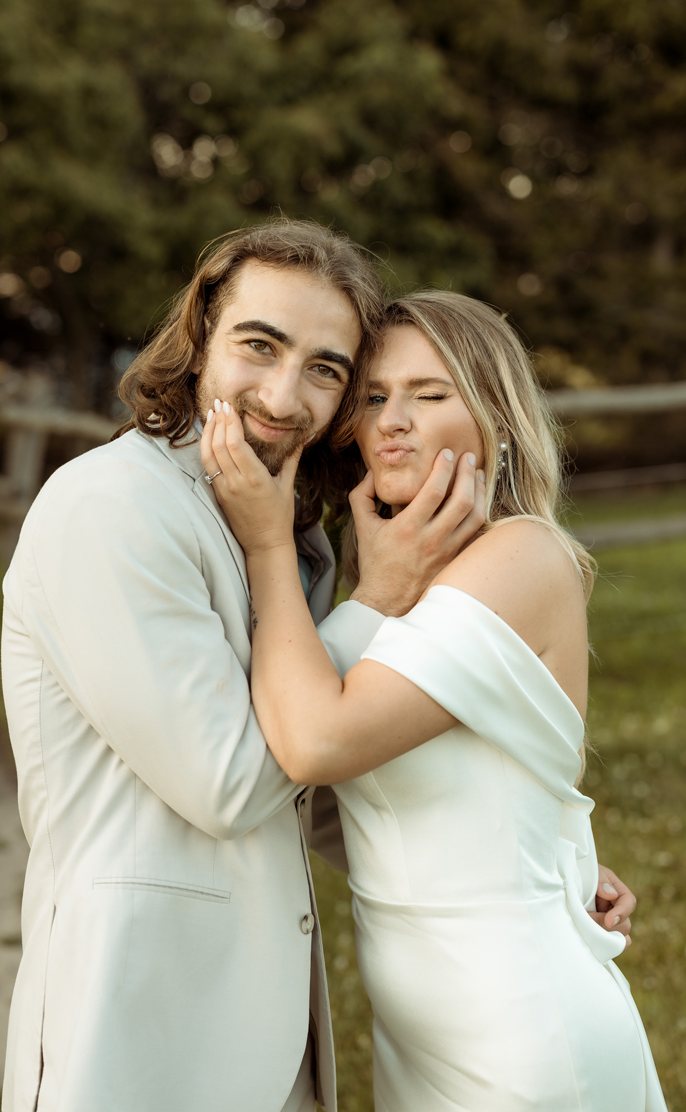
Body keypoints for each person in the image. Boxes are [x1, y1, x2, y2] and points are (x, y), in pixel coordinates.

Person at [0, 220, 636, 1112]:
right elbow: (234, 775)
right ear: (198, 340)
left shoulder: (295, 540)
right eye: (259, 346)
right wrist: (372, 600)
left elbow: (331, 775)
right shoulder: (110, 506)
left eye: (327, 370)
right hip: (143, 1009)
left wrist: (540, 857)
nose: (285, 394)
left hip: (293, 1023)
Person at [200, 290, 664, 1109]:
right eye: (374, 396)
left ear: (499, 417)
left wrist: (269, 541)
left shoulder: (519, 556)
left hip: (522, 1038)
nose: (392, 420)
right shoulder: (398, 575)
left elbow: (314, 741)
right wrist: (562, 864)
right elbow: (375, 790)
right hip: (423, 1036)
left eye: (431, 393)